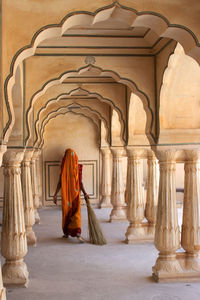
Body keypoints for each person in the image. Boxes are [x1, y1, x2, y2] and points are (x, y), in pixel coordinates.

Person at [53, 149, 89, 243]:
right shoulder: (77, 168)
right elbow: (80, 183)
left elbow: (60, 183)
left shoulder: (64, 169)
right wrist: (84, 193)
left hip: (67, 197)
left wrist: (55, 194)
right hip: (75, 196)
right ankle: (75, 233)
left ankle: (71, 232)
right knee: (76, 214)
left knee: (67, 213)